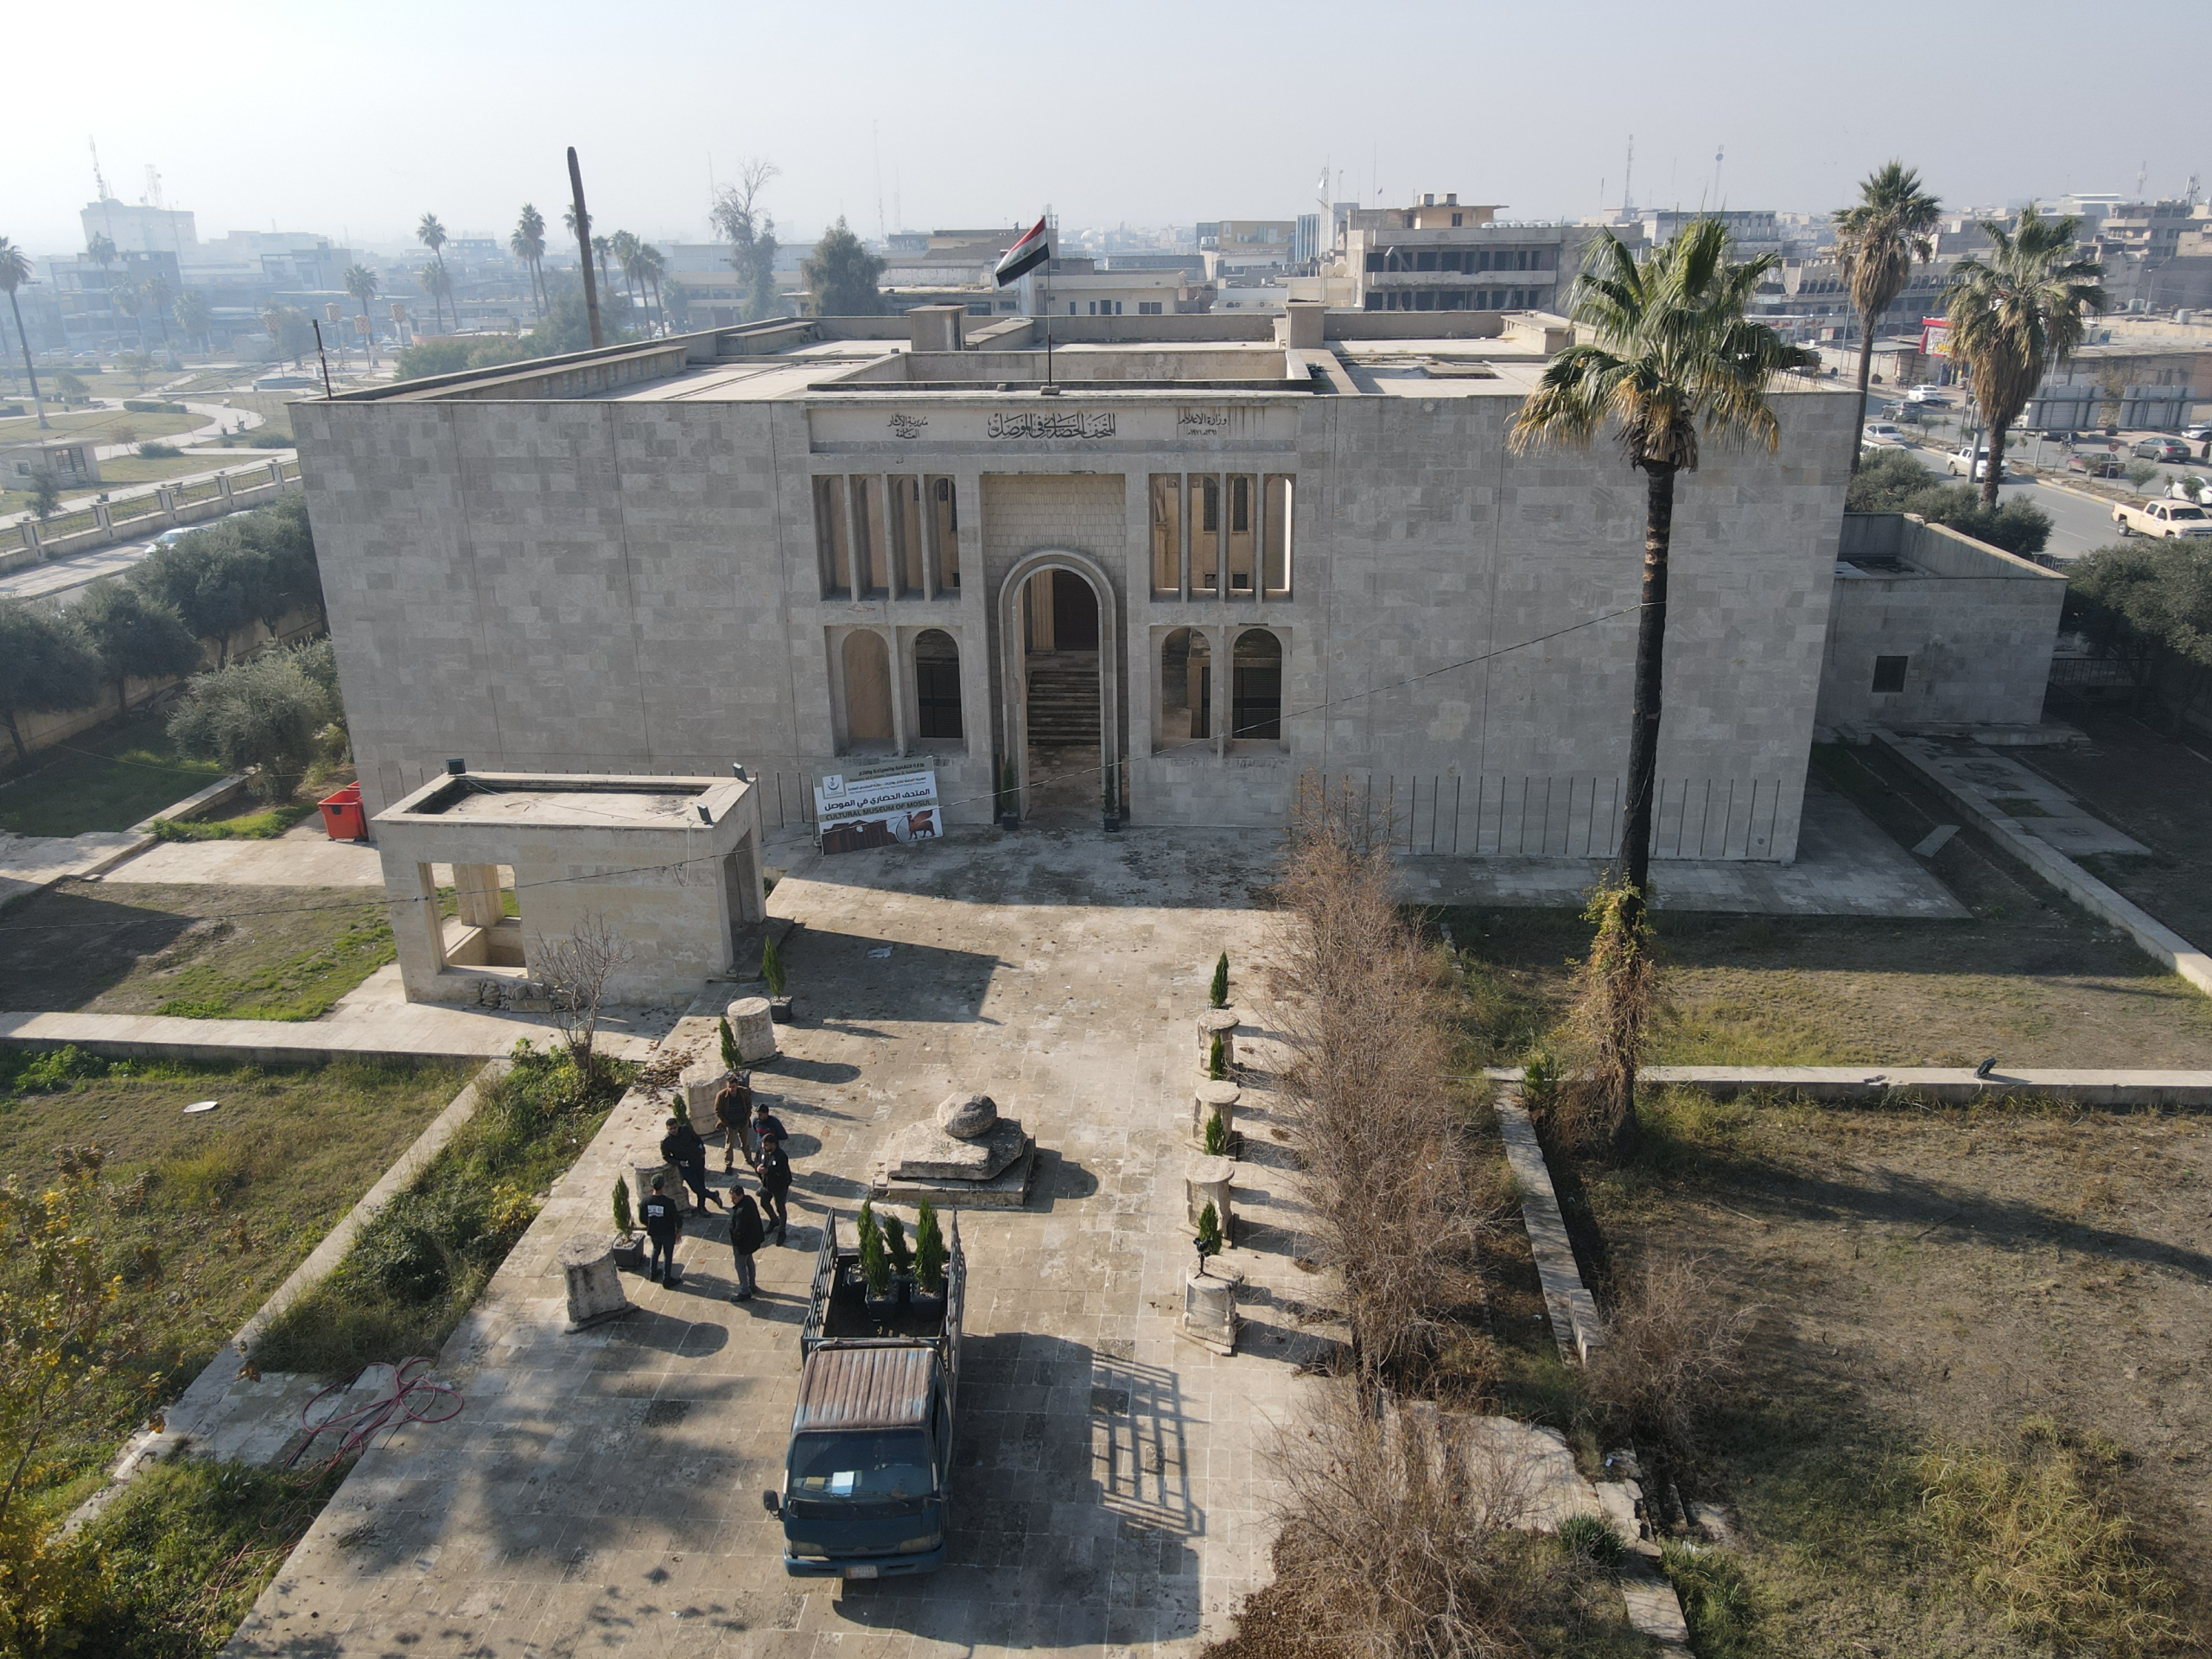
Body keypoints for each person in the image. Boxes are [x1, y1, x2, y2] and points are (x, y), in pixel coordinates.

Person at [662, 1114, 722, 1211]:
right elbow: (666, 1156)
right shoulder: (666, 1141)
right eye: (671, 1129)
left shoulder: (686, 1130)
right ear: (667, 1129)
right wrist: (678, 1162)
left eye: (675, 1128)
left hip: (698, 1160)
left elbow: (698, 1140)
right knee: (696, 1188)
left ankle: (701, 1207)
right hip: (686, 1166)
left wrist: (702, 1151)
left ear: (678, 1126)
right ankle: (713, 1195)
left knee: (701, 1185)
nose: (673, 1130)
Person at [639, 1174, 683, 1283]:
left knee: (655, 1250)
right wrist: (679, 1231)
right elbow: (677, 1218)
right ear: (663, 1185)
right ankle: (666, 1279)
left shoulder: (645, 1201)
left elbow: (642, 1219)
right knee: (668, 1255)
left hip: (654, 1232)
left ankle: (653, 1273)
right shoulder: (669, 1203)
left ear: (651, 1185)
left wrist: (651, 1224)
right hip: (668, 1233)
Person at [756, 1129, 793, 1245]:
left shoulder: (781, 1156)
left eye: (766, 1146)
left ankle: (782, 1232)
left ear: (773, 1144)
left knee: (780, 1208)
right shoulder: (762, 1152)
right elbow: (757, 1162)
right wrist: (758, 1169)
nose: (764, 1148)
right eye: (763, 1146)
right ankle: (774, 1220)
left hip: (779, 1188)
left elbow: (783, 1175)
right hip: (767, 1185)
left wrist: (768, 1172)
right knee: (764, 1202)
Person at [728, 1189, 765, 1303]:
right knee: (749, 1261)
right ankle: (751, 1284)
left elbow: (739, 1231)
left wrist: (735, 1240)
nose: (732, 1200)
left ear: (741, 1196)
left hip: (742, 1244)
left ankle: (744, 1291)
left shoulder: (741, 1212)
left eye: (734, 1198)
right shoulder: (749, 1200)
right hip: (751, 1242)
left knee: (740, 1266)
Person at [714, 1072, 753, 1173]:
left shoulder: (743, 1092)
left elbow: (749, 1105)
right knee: (729, 1146)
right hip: (731, 1125)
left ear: (737, 1085)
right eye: (729, 1087)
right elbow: (718, 1111)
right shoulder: (721, 1095)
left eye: (733, 1087)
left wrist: (747, 1118)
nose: (731, 1089)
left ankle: (749, 1159)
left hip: (743, 1122)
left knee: (746, 1142)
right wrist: (726, 1123)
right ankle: (728, 1164)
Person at [747, 1097, 790, 1171]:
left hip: (772, 1149)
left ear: (766, 1114)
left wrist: (773, 1140)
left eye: (761, 1115)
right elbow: (756, 1130)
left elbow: (783, 1135)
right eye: (758, 1114)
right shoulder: (756, 1121)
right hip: (760, 1147)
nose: (758, 1117)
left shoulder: (774, 1122)